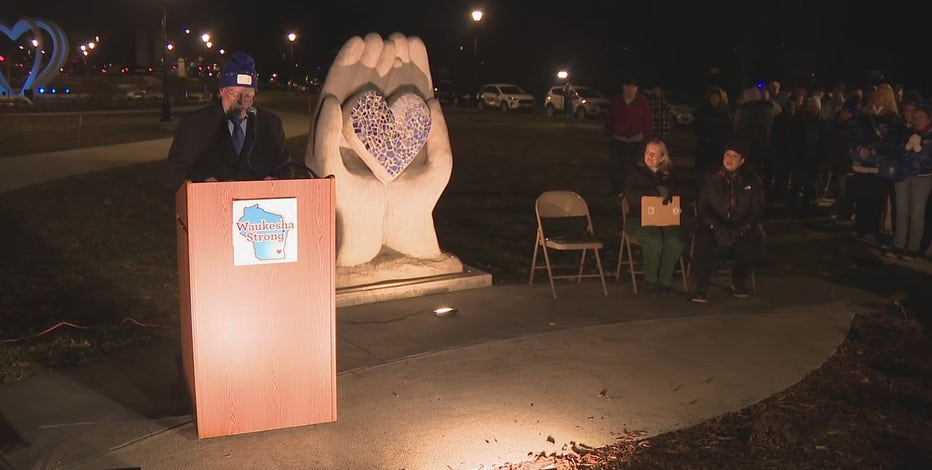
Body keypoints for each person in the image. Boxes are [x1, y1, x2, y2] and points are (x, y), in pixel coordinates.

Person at [168, 51, 292, 184]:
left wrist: (277, 179)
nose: (241, 101)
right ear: (221, 90)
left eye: (248, 95)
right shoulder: (194, 124)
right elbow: (177, 169)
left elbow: (286, 167)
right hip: (210, 201)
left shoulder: (271, 124)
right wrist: (201, 182)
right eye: (235, 94)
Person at [690, 138, 766, 303]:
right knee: (703, 240)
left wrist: (741, 229)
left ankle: (738, 281)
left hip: (741, 225)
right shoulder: (711, 177)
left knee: (750, 244)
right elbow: (702, 206)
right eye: (727, 155)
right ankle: (702, 286)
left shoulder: (752, 180)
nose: (729, 159)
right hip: (714, 223)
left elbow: (757, 209)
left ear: (742, 160)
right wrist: (715, 227)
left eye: (734, 156)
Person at [621, 139, 687, 294]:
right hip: (639, 218)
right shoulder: (634, 172)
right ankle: (651, 281)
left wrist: (668, 190)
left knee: (675, 240)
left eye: (654, 153)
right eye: (647, 152)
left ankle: (665, 281)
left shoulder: (671, 174)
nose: (650, 156)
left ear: (663, 157)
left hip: (666, 219)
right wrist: (656, 191)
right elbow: (631, 196)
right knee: (654, 240)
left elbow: (683, 192)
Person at [885, 103, 932, 260]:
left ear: (928, 118)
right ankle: (898, 245)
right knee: (901, 211)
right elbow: (898, 153)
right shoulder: (908, 132)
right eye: (915, 117)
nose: (918, 120)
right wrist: (906, 148)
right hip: (904, 174)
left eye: (921, 117)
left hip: (922, 177)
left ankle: (913, 248)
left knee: (916, 213)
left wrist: (918, 149)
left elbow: (927, 162)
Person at [605, 74, 654, 198]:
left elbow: (647, 121)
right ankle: (617, 191)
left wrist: (647, 139)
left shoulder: (642, 101)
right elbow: (609, 119)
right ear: (623, 87)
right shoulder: (616, 101)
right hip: (618, 140)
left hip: (637, 141)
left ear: (637, 88)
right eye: (628, 87)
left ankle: (632, 191)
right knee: (617, 167)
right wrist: (609, 136)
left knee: (634, 166)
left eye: (633, 87)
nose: (630, 90)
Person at [693, 87, 732, 173]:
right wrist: (704, 136)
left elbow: (727, 129)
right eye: (712, 97)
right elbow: (697, 126)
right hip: (704, 145)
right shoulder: (703, 111)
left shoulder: (724, 113)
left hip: (718, 146)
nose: (714, 99)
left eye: (717, 97)